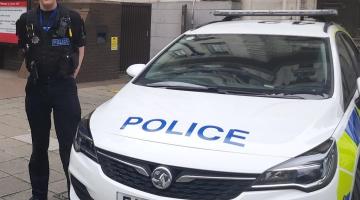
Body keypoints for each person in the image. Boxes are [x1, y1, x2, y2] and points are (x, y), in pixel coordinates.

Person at [16, 0, 86, 199]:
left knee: (68, 146)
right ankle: (39, 195)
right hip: (37, 89)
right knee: (39, 146)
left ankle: (73, 194)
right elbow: (23, 47)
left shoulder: (72, 17)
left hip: (64, 88)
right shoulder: (25, 19)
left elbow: (80, 46)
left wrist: (75, 72)